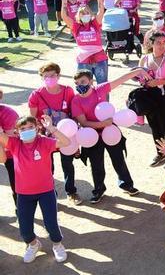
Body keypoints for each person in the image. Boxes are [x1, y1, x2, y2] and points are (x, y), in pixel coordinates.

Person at [1, 114, 71, 263]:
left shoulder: (44, 142)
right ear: (17, 132)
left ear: (38, 128)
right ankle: (33, 245)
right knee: (25, 228)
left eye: (31, 127)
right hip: (24, 194)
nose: (27, 130)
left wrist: (52, 128)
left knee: (51, 223)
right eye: (23, 128)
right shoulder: (14, 144)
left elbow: (66, 142)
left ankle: (57, 245)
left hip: (46, 191)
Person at [71, 67, 146, 203]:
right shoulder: (76, 101)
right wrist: (103, 124)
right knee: (96, 164)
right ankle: (99, 190)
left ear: (91, 81)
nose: (79, 85)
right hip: (92, 135)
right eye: (77, 83)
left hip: (111, 131)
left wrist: (138, 71)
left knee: (118, 159)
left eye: (83, 81)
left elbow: (121, 80)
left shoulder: (100, 89)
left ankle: (127, 184)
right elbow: (83, 122)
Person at [27, 63, 79, 205]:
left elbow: (73, 113)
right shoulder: (36, 95)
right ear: (42, 78)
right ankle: (51, 196)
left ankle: (71, 192)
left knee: (67, 164)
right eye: (46, 76)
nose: (50, 78)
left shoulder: (68, 91)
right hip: (45, 136)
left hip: (65, 134)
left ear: (58, 75)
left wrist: (76, 138)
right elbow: (32, 119)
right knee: (48, 167)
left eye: (53, 75)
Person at [139, 30, 165, 167]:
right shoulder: (145, 59)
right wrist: (143, 81)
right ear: (151, 43)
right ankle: (160, 153)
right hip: (150, 94)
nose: (162, 45)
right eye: (159, 43)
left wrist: (159, 82)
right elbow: (139, 76)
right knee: (154, 126)